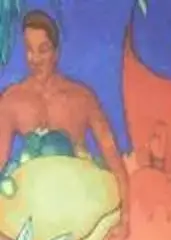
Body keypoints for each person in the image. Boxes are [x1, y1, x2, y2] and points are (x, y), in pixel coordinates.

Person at [0, 12, 121, 172]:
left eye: (43, 50)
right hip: (32, 191)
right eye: (29, 49)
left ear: (56, 53)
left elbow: (113, 157)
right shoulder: (12, 99)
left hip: (78, 190)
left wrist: (126, 196)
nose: (35, 59)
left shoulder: (82, 98)